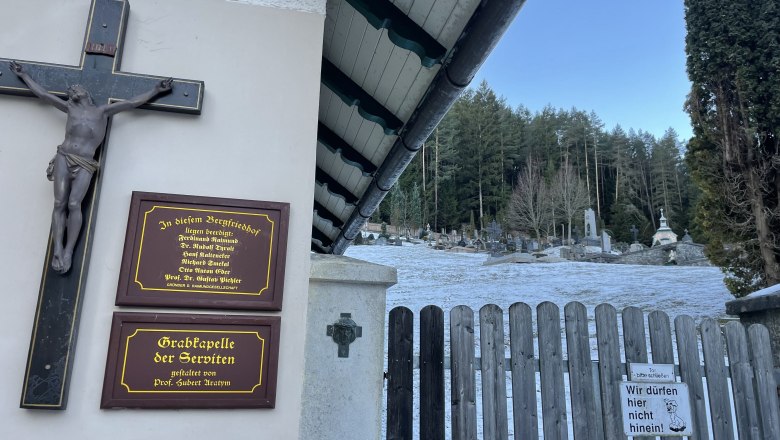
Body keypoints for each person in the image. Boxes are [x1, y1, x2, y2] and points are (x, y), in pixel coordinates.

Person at [9, 60, 173, 274]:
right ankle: (57, 248)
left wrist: (155, 90)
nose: (71, 90)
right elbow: (44, 95)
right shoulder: (69, 108)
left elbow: (132, 103)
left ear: (85, 92)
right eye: (70, 90)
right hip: (64, 156)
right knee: (59, 202)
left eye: (75, 88)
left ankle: (68, 251)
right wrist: (24, 76)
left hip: (85, 162)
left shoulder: (103, 111)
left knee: (74, 203)